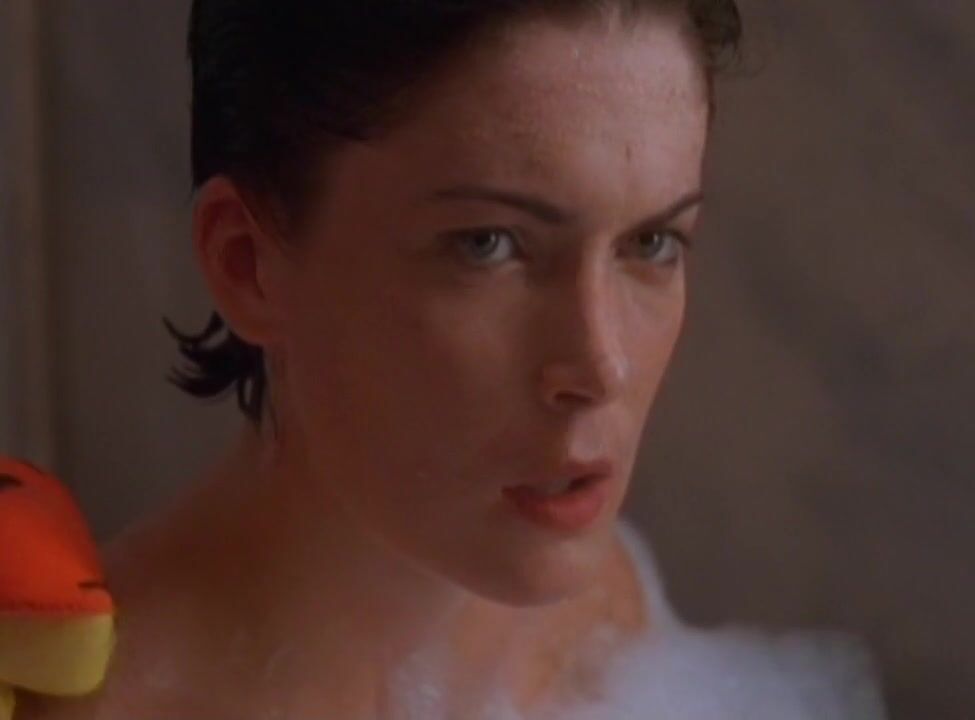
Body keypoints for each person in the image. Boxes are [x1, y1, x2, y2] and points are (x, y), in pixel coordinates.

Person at [21, 1, 884, 717]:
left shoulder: (596, 621)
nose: (602, 366)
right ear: (248, 263)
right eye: (487, 245)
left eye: (652, 243)